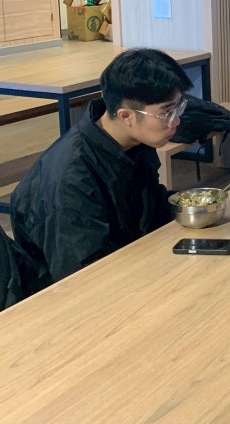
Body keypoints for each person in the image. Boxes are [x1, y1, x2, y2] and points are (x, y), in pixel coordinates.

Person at [10, 48, 192, 289]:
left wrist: (194, 207)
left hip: (132, 264)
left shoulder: (133, 141)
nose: (176, 121)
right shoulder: (71, 179)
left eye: (178, 108)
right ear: (126, 116)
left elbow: (147, 209)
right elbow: (83, 275)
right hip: (80, 293)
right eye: (167, 113)